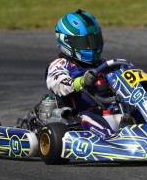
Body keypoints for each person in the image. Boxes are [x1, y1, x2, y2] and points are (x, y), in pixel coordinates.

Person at [46, 9, 122, 139]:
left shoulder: (103, 63)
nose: (91, 47)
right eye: (85, 43)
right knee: (90, 118)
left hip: (110, 111)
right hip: (79, 115)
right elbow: (58, 84)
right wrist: (81, 81)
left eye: (94, 41)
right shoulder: (60, 64)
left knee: (136, 112)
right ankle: (112, 141)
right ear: (66, 42)